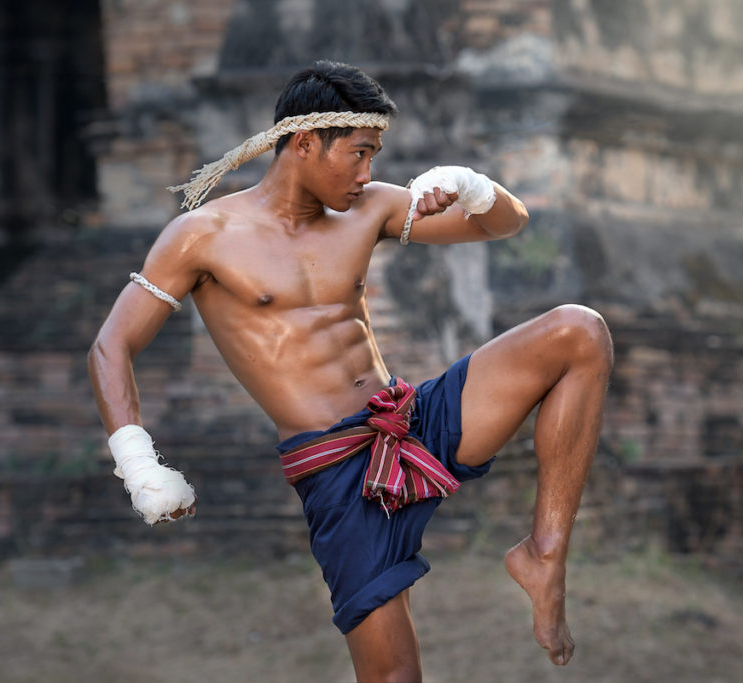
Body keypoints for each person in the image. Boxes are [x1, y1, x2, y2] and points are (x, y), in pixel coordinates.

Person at [88, 60, 612, 681]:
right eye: (360, 153)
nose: (368, 173)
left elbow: (508, 223)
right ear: (305, 142)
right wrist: (139, 465)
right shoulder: (203, 236)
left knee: (580, 331)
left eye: (376, 155)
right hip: (337, 471)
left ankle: (543, 554)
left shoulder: (369, 210)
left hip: (408, 422)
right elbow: (111, 345)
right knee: (394, 678)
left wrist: (470, 186)